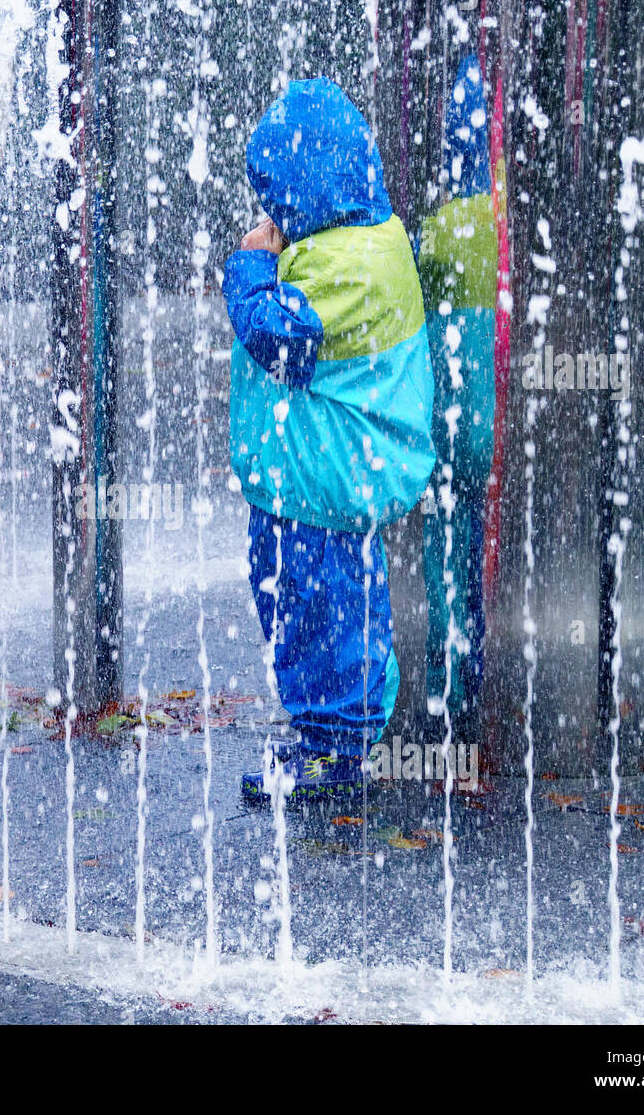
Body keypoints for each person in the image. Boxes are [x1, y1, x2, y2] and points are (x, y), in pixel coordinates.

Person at [223, 78, 435, 802]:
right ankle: (340, 728)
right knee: (323, 604)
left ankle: (336, 748)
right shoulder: (370, 240)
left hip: (321, 483)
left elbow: (277, 340)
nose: (272, 215)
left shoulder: (341, 263)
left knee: (316, 609)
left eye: (277, 198)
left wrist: (252, 265)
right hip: (321, 479)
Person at [416, 53, 497, 737]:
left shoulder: (439, 232)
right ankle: (484, 661)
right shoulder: (501, 225)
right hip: (493, 422)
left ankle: (451, 672)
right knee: (477, 536)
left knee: (447, 540)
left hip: (447, 423)